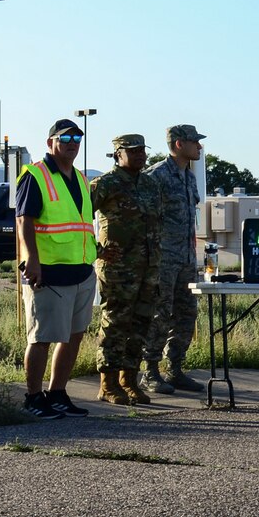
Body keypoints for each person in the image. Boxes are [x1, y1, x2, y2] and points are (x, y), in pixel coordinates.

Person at [13, 119, 97, 419]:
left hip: (81, 272)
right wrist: (31, 260)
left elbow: (81, 224)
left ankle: (57, 393)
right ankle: (34, 398)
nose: (72, 142)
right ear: (50, 143)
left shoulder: (82, 179)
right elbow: (24, 221)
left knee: (74, 336)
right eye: (65, 138)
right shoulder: (36, 175)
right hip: (47, 274)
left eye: (77, 137)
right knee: (41, 338)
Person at [88, 133, 166, 406]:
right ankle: (107, 384)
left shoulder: (150, 184)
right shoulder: (104, 184)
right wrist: (96, 250)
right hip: (118, 269)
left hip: (148, 268)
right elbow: (79, 219)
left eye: (142, 150)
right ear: (118, 154)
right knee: (115, 324)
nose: (140, 155)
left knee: (140, 324)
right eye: (133, 151)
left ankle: (128, 381)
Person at [143, 124, 205, 395]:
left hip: (186, 259)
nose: (199, 147)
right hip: (163, 260)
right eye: (195, 142)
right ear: (179, 144)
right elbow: (144, 216)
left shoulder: (188, 177)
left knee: (186, 314)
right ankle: (151, 372)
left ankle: (176, 369)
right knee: (160, 315)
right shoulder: (157, 176)